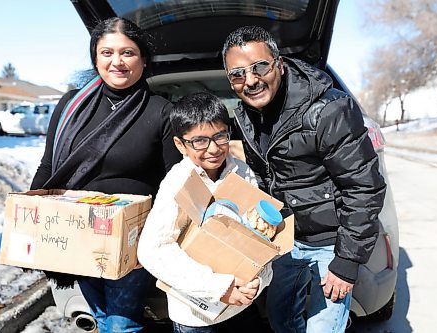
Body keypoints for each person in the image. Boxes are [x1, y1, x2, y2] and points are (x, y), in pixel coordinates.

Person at [222, 26, 387, 332]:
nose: (251, 80)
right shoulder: (244, 117)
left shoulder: (328, 109)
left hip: (331, 243)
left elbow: (364, 187)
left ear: (279, 64)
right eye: (238, 74)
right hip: (284, 239)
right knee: (281, 320)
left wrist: (346, 262)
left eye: (260, 67)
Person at [30, 17, 182, 332]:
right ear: (95, 57)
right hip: (80, 237)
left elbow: (175, 182)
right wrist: (32, 215)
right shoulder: (70, 106)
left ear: (143, 59)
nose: (117, 62)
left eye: (127, 53)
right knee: (100, 320)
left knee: (120, 325)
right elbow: (49, 166)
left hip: (134, 241)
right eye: (107, 52)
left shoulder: (161, 112)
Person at [137, 92, 273, 333]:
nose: (213, 149)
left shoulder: (242, 172)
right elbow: (153, 250)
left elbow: (258, 237)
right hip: (197, 316)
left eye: (220, 136)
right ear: (180, 144)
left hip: (241, 306)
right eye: (199, 141)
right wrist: (220, 287)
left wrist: (258, 280)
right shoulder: (177, 183)